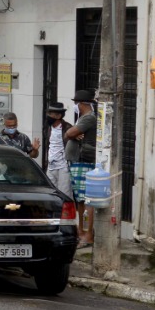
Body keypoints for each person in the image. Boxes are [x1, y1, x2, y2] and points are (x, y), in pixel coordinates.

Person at [65, 89, 98, 245]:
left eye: (76, 103)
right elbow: (70, 133)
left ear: (82, 104)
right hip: (78, 161)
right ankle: (81, 230)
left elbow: (69, 134)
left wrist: (70, 133)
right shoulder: (83, 118)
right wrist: (70, 133)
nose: (75, 106)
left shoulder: (88, 118)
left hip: (83, 161)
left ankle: (87, 233)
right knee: (80, 199)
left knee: (86, 199)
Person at [38, 102, 72, 195]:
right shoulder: (47, 128)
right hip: (51, 165)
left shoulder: (68, 128)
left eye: (50, 114)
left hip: (63, 166)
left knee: (64, 193)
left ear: (58, 115)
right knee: (51, 192)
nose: (48, 116)